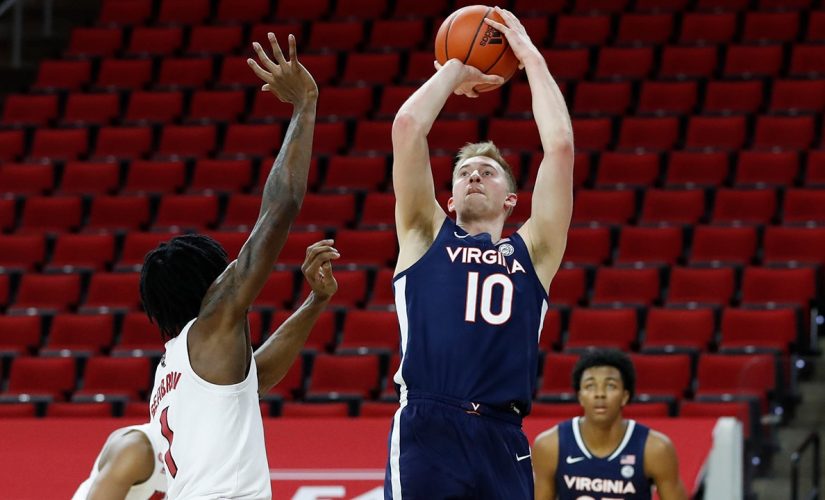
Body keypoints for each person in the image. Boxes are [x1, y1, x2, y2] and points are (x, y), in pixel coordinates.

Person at [385, 7, 574, 499]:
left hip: (502, 434)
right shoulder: (425, 233)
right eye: (464, 171)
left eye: (488, 171)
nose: (474, 175)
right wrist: (456, 68)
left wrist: (529, 55)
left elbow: (560, 147)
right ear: (448, 199)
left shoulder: (535, 250)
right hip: (429, 425)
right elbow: (407, 127)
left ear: (512, 200)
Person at [138, 33, 319, 499]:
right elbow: (280, 209)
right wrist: (305, 105)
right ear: (210, 284)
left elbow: (259, 376)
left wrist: (315, 302)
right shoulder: (213, 322)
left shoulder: (171, 369)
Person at [74, 239, 339, 499]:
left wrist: (316, 300)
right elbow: (244, 277)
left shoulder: (184, 381)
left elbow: (258, 378)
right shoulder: (136, 449)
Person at [532, 349, 688, 500]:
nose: (600, 393)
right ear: (580, 396)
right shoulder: (550, 445)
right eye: (590, 386)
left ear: (625, 396)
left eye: (610, 385)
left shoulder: (656, 448)